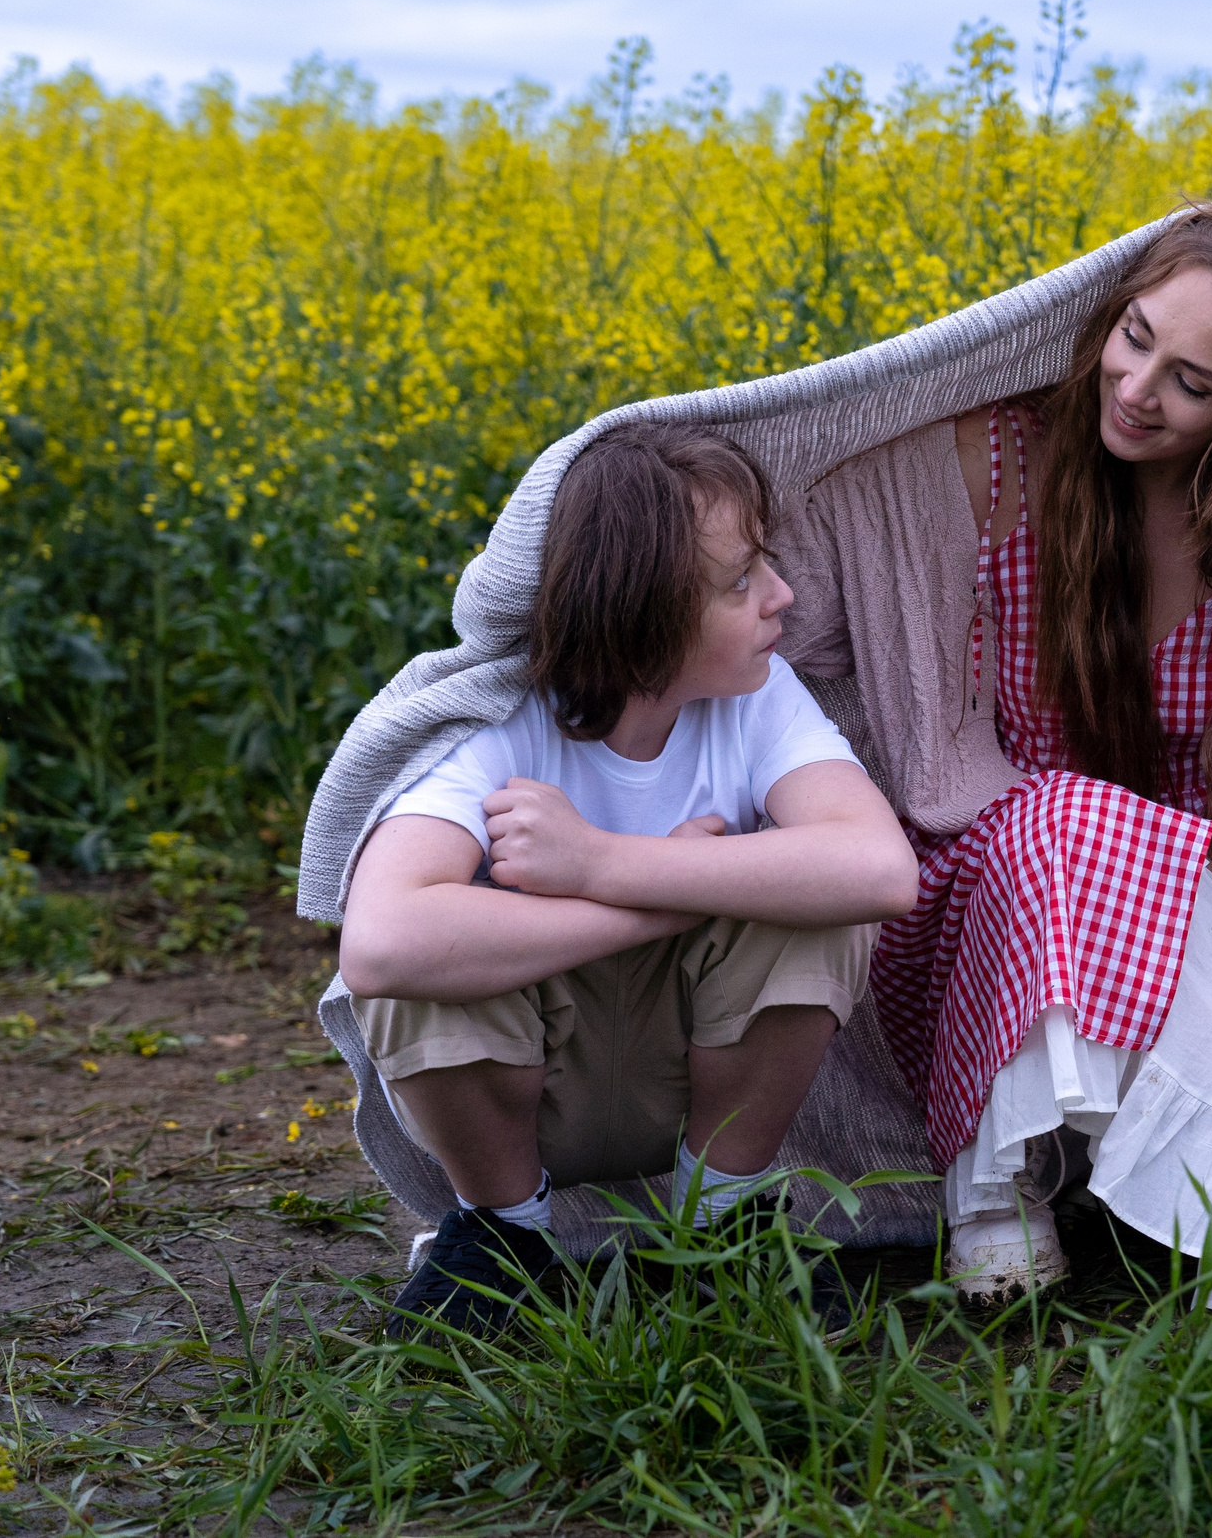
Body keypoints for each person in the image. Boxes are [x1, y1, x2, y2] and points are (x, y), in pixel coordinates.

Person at [782, 199, 1212, 1302]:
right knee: (1066, 817)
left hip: (1198, 882)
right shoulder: (995, 459)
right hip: (991, 870)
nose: (1136, 390)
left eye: (1194, 384)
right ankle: (995, 1184)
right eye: (1133, 337)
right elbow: (800, 513)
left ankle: (1159, 1197)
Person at [336, 423, 920, 1334]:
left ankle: (719, 1223)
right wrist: (650, 910)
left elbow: (879, 870)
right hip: (533, 1086)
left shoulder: (759, 698)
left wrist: (598, 861)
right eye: (740, 582)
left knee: (822, 905)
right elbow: (377, 945)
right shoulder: (501, 725)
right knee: (425, 964)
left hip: (691, 1073)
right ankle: (508, 1241)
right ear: (643, 616)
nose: (783, 597)